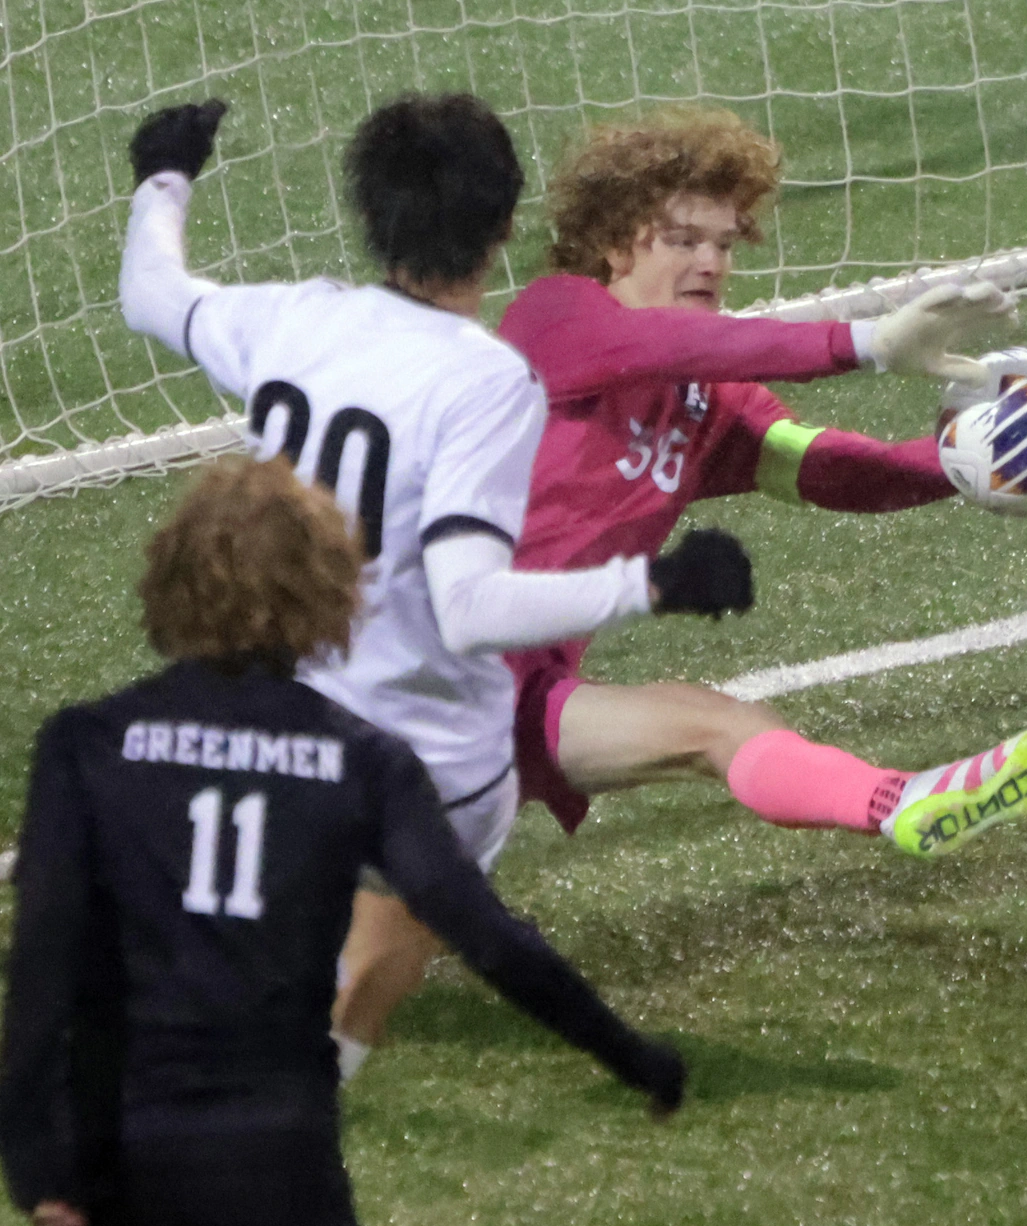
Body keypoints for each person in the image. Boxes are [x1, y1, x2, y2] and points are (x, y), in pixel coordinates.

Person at [336, 107, 1027, 1040]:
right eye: (682, 239)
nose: (711, 263)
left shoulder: (709, 401)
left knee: (714, 727)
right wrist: (861, 341)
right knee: (313, 952)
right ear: (610, 242)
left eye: (725, 243)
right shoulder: (556, 320)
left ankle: (901, 802)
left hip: (515, 692)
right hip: (411, 671)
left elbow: (831, 468)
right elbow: (672, 347)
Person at [0, 456, 685, 1226]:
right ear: (327, 595)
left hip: (120, 1149)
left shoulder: (85, 744)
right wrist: (632, 1055)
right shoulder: (362, 760)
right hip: (277, 1164)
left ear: (167, 577)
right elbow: (485, 934)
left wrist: (33, 1159)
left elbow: (41, 969)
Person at [118, 94, 751, 1081]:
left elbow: (149, 291)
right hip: (425, 755)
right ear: (503, 228)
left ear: (370, 214)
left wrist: (164, 177)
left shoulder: (287, 320)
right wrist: (653, 584)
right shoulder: (484, 380)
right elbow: (469, 608)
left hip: (272, 723)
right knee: (351, 995)